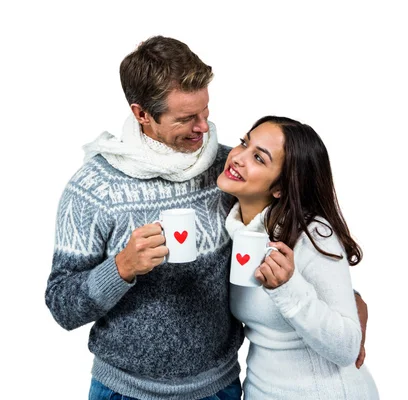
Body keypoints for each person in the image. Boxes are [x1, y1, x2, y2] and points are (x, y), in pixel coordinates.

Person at [45, 36, 368, 400]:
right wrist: (120, 268)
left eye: (205, 112)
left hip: (221, 389)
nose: (203, 128)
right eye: (186, 119)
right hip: (124, 391)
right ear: (142, 114)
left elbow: (295, 229)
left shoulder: (228, 170)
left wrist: (350, 305)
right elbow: (61, 304)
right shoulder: (93, 188)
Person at [216, 115, 378, 399]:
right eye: (244, 143)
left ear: (280, 187)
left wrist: (286, 288)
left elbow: (347, 348)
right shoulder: (234, 229)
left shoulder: (312, 234)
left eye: (259, 158)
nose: (239, 157)